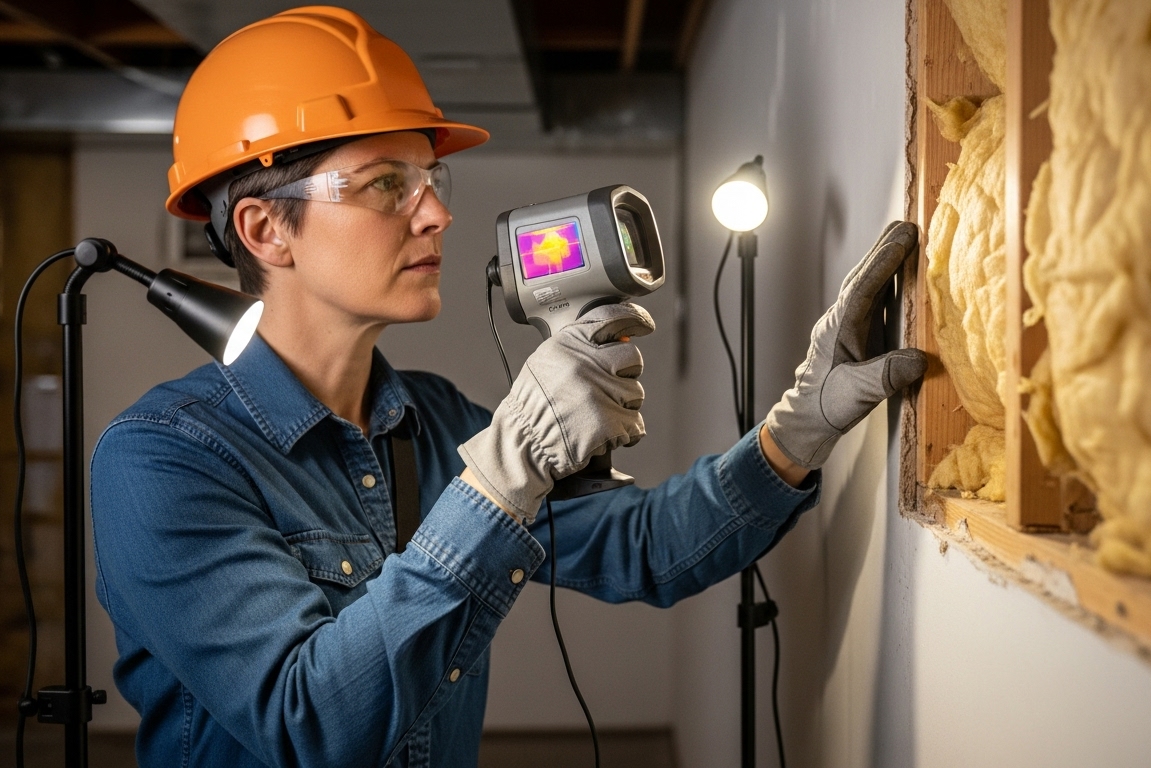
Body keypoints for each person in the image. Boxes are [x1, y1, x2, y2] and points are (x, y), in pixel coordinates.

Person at [89, 7, 927, 768]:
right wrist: (503, 475)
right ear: (266, 229)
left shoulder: (435, 419)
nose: (435, 214)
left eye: (430, 180)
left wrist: (794, 434)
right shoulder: (162, 461)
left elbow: (647, 548)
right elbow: (314, 725)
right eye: (387, 183)